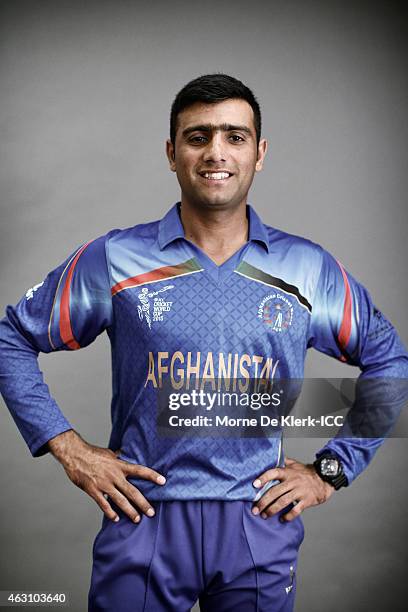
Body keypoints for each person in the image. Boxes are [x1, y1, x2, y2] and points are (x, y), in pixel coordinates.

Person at [0, 73, 407, 612]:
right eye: (198, 137)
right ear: (172, 153)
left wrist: (331, 469)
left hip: (258, 522)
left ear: (259, 153)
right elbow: (10, 338)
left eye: (235, 137)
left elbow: (389, 361)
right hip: (144, 518)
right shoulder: (117, 259)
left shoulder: (306, 268)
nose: (216, 152)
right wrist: (69, 449)